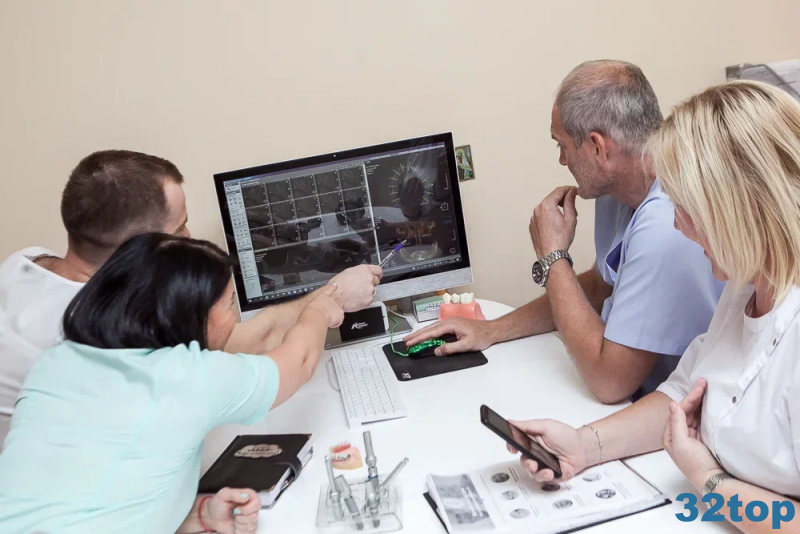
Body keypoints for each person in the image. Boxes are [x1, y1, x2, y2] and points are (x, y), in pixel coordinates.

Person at [507, 80, 800, 532]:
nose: (677, 226)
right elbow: (679, 395)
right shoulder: (746, 288)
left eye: (685, 207)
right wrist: (583, 445)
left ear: (738, 207)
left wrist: (708, 479)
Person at [0, 150, 381, 446]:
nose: (189, 236)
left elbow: (234, 339)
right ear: (138, 249)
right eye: (179, 226)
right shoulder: (100, 335)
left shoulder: (25, 263)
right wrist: (331, 299)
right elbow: (273, 356)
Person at [406, 60, 724, 403]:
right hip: (644, 399)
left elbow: (610, 383)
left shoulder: (666, 223)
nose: (562, 160)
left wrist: (553, 257)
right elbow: (601, 285)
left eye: (563, 145)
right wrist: (491, 330)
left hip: (682, 411)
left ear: (598, 148)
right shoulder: (620, 191)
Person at [0, 233, 346, 533]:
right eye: (228, 305)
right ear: (192, 315)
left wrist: (198, 514)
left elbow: (95, 494)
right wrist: (319, 311)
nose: (234, 318)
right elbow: (300, 361)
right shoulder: (186, 375)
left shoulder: (57, 361)